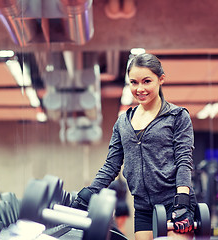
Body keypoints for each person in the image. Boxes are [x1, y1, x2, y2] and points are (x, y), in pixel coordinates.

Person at [72, 53, 197, 240]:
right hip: (143, 207)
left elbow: (183, 161)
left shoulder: (177, 116)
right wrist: (90, 192)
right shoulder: (123, 122)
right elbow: (111, 165)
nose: (140, 89)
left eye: (147, 81)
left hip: (174, 203)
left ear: (160, 79)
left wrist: (183, 201)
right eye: (134, 82)